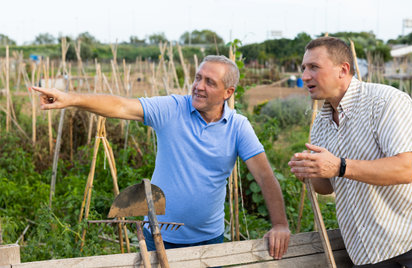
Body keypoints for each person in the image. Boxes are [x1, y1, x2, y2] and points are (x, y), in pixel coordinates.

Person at [33, 55, 290, 259]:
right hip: (159, 237)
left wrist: (280, 225)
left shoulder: (238, 127)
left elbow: (265, 177)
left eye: (210, 82)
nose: (199, 86)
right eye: (198, 77)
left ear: (228, 92)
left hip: (209, 241)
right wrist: (71, 99)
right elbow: (121, 105)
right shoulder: (172, 109)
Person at [288, 37, 412, 267]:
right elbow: (326, 187)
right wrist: (311, 170)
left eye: (314, 67)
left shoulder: (386, 102)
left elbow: (403, 170)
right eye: (304, 68)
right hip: (368, 246)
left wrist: (339, 166)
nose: (305, 76)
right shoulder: (321, 123)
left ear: (343, 70)